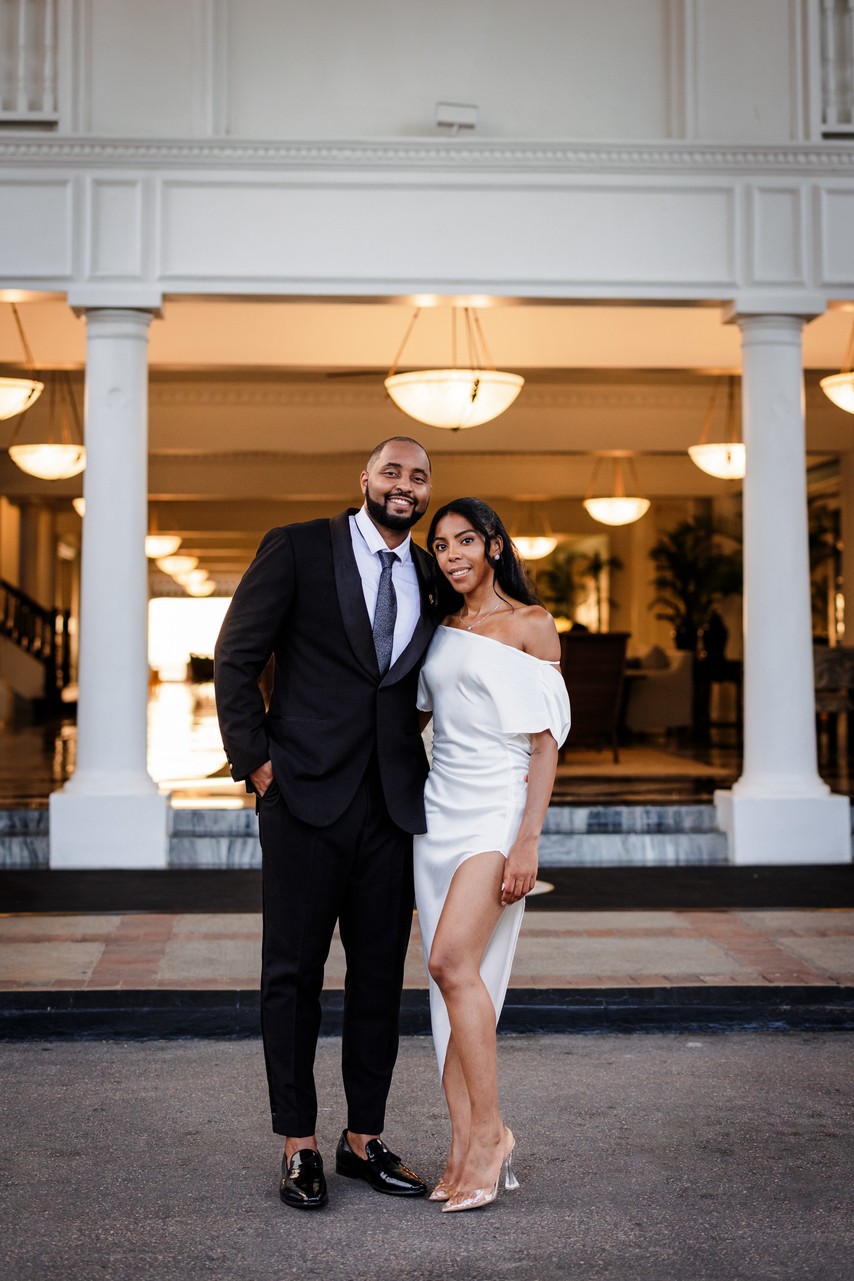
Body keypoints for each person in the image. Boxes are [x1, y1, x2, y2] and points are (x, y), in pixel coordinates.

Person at [214, 437, 436, 1211]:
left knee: (379, 979)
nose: (404, 485)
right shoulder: (301, 547)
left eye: (418, 476)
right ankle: (299, 1141)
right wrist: (258, 764)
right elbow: (236, 657)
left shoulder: (432, 574)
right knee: (293, 976)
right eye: (392, 471)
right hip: (303, 797)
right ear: (365, 479)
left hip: (393, 807)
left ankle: (362, 1140)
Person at [414, 498, 570, 1214]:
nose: (451, 554)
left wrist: (527, 838)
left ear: (496, 546)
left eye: (465, 540)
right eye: (441, 544)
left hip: (495, 811)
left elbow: (546, 742)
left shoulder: (533, 625)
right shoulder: (440, 628)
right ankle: (458, 1144)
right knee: (453, 986)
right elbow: (415, 715)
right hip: (437, 811)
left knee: (450, 961)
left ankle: (492, 1136)